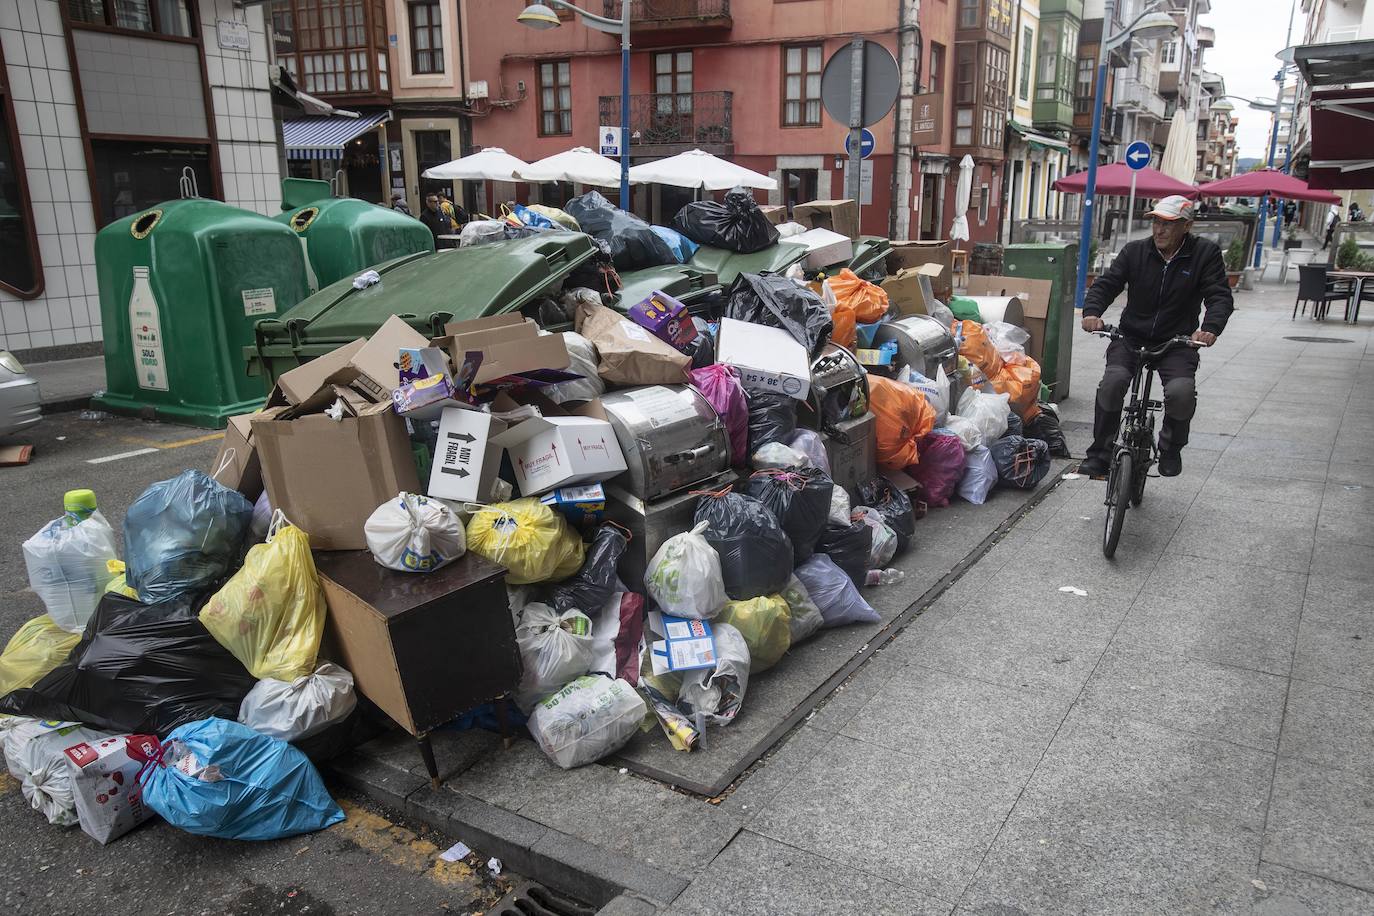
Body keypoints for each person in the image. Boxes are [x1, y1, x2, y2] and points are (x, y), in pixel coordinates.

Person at [1078, 195, 1234, 479]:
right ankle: (1099, 453)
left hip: (1177, 341)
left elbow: (1219, 296)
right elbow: (1108, 283)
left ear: (1186, 226)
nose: (1159, 230)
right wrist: (1092, 312)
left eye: (1168, 224)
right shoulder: (1135, 252)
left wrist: (1211, 327)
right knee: (1112, 384)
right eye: (1156, 223)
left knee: (1181, 393)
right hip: (1131, 336)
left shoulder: (1204, 254)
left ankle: (1171, 447)